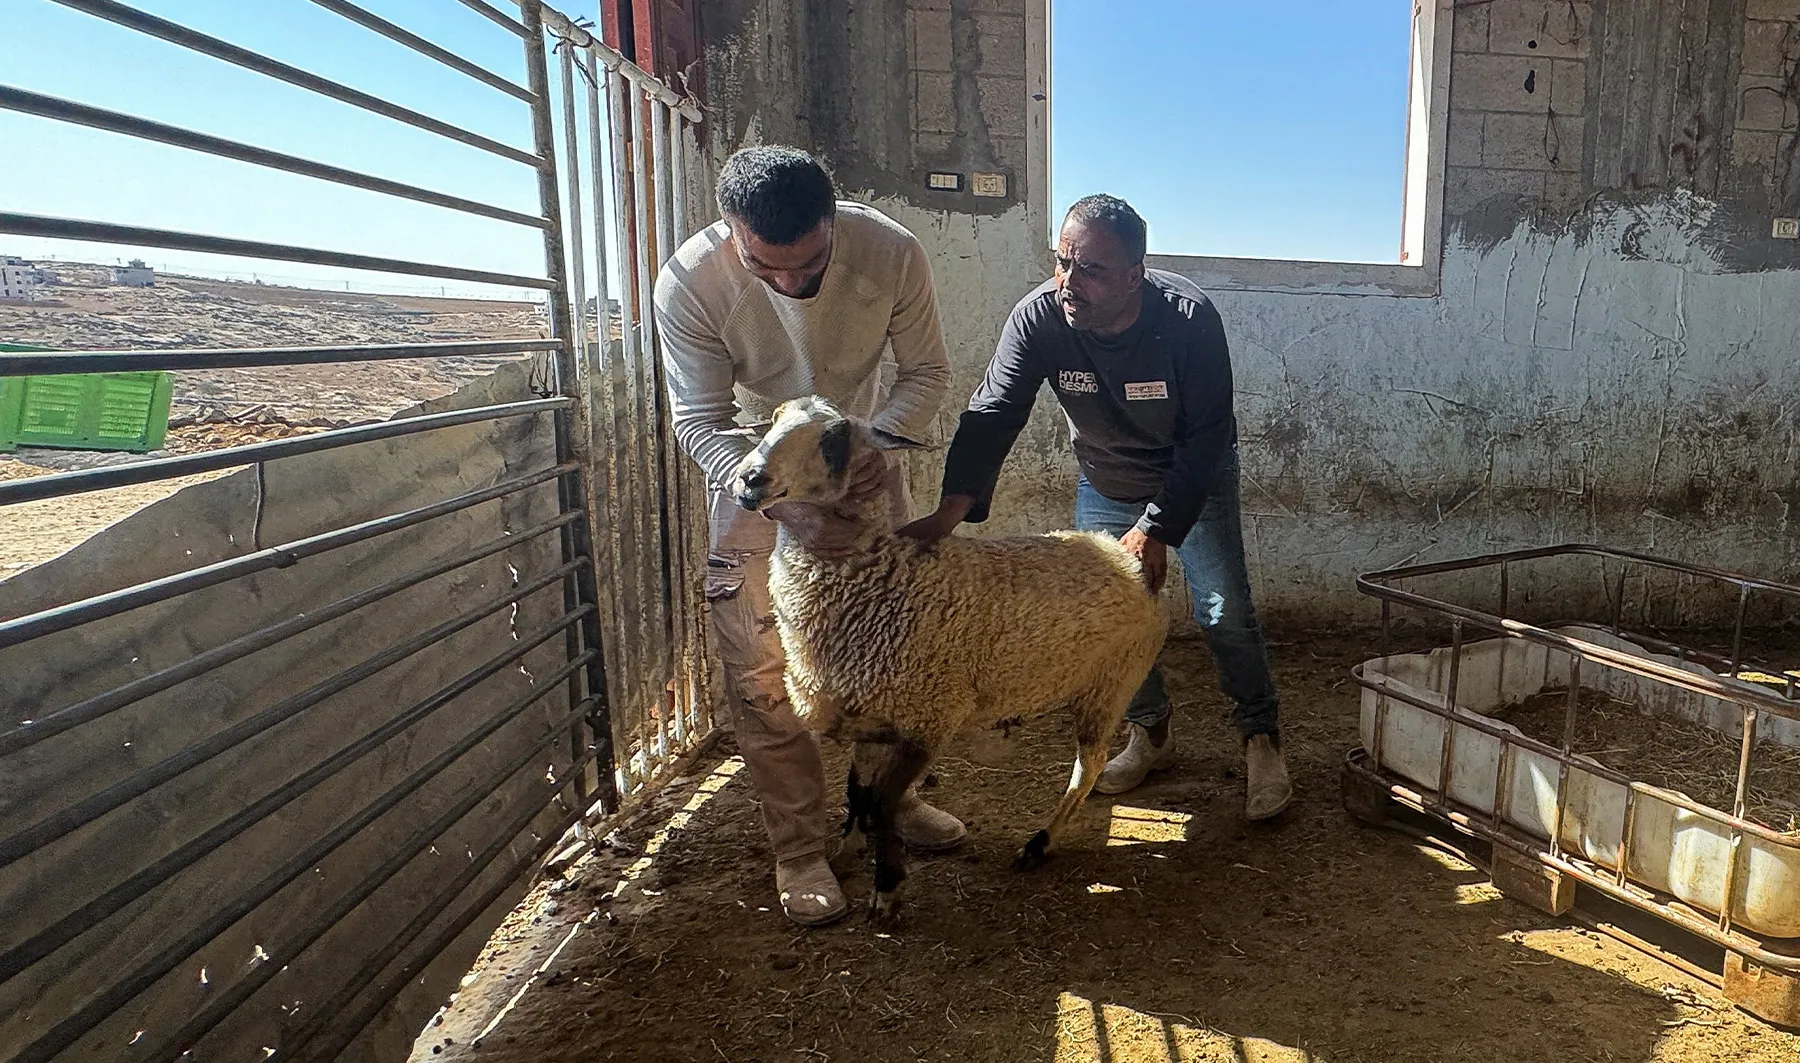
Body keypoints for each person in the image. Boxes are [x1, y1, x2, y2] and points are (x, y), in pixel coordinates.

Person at [898, 194, 1293, 821]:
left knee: (1223, 611)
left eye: (1090, 270)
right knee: (1111, 622)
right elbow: (994, 410)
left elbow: (1207, 436)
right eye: (1061, 262)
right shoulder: (1040, 319)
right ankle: (1150, 734)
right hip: (1107, 480)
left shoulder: (1188, 320)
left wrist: (1158, 528)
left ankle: (1260, 739)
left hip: (1193, 476)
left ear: (1135, 275)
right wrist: (954, 508)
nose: (1067, 282)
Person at [653, 145, 966, 927]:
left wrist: (875, 449)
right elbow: (700, 418)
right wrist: (780, 502)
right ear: (734, 236)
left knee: (890, 644)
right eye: (769, 269)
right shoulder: (690, 281)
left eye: (812, 263)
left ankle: (888, 801)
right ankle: (798, 845)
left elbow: (925, 371)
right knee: (759, 660)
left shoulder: (892, 251)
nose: (793, 284)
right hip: (756, 470)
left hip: (863, 454)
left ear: (834, 221)